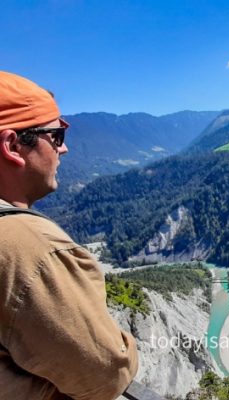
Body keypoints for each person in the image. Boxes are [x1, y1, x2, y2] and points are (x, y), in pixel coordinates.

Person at [0, 71, 138, 399]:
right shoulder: (25, 247)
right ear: (12, 145)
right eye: (57, 136)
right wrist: (128, 345)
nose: (65, 150)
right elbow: (108, 373)